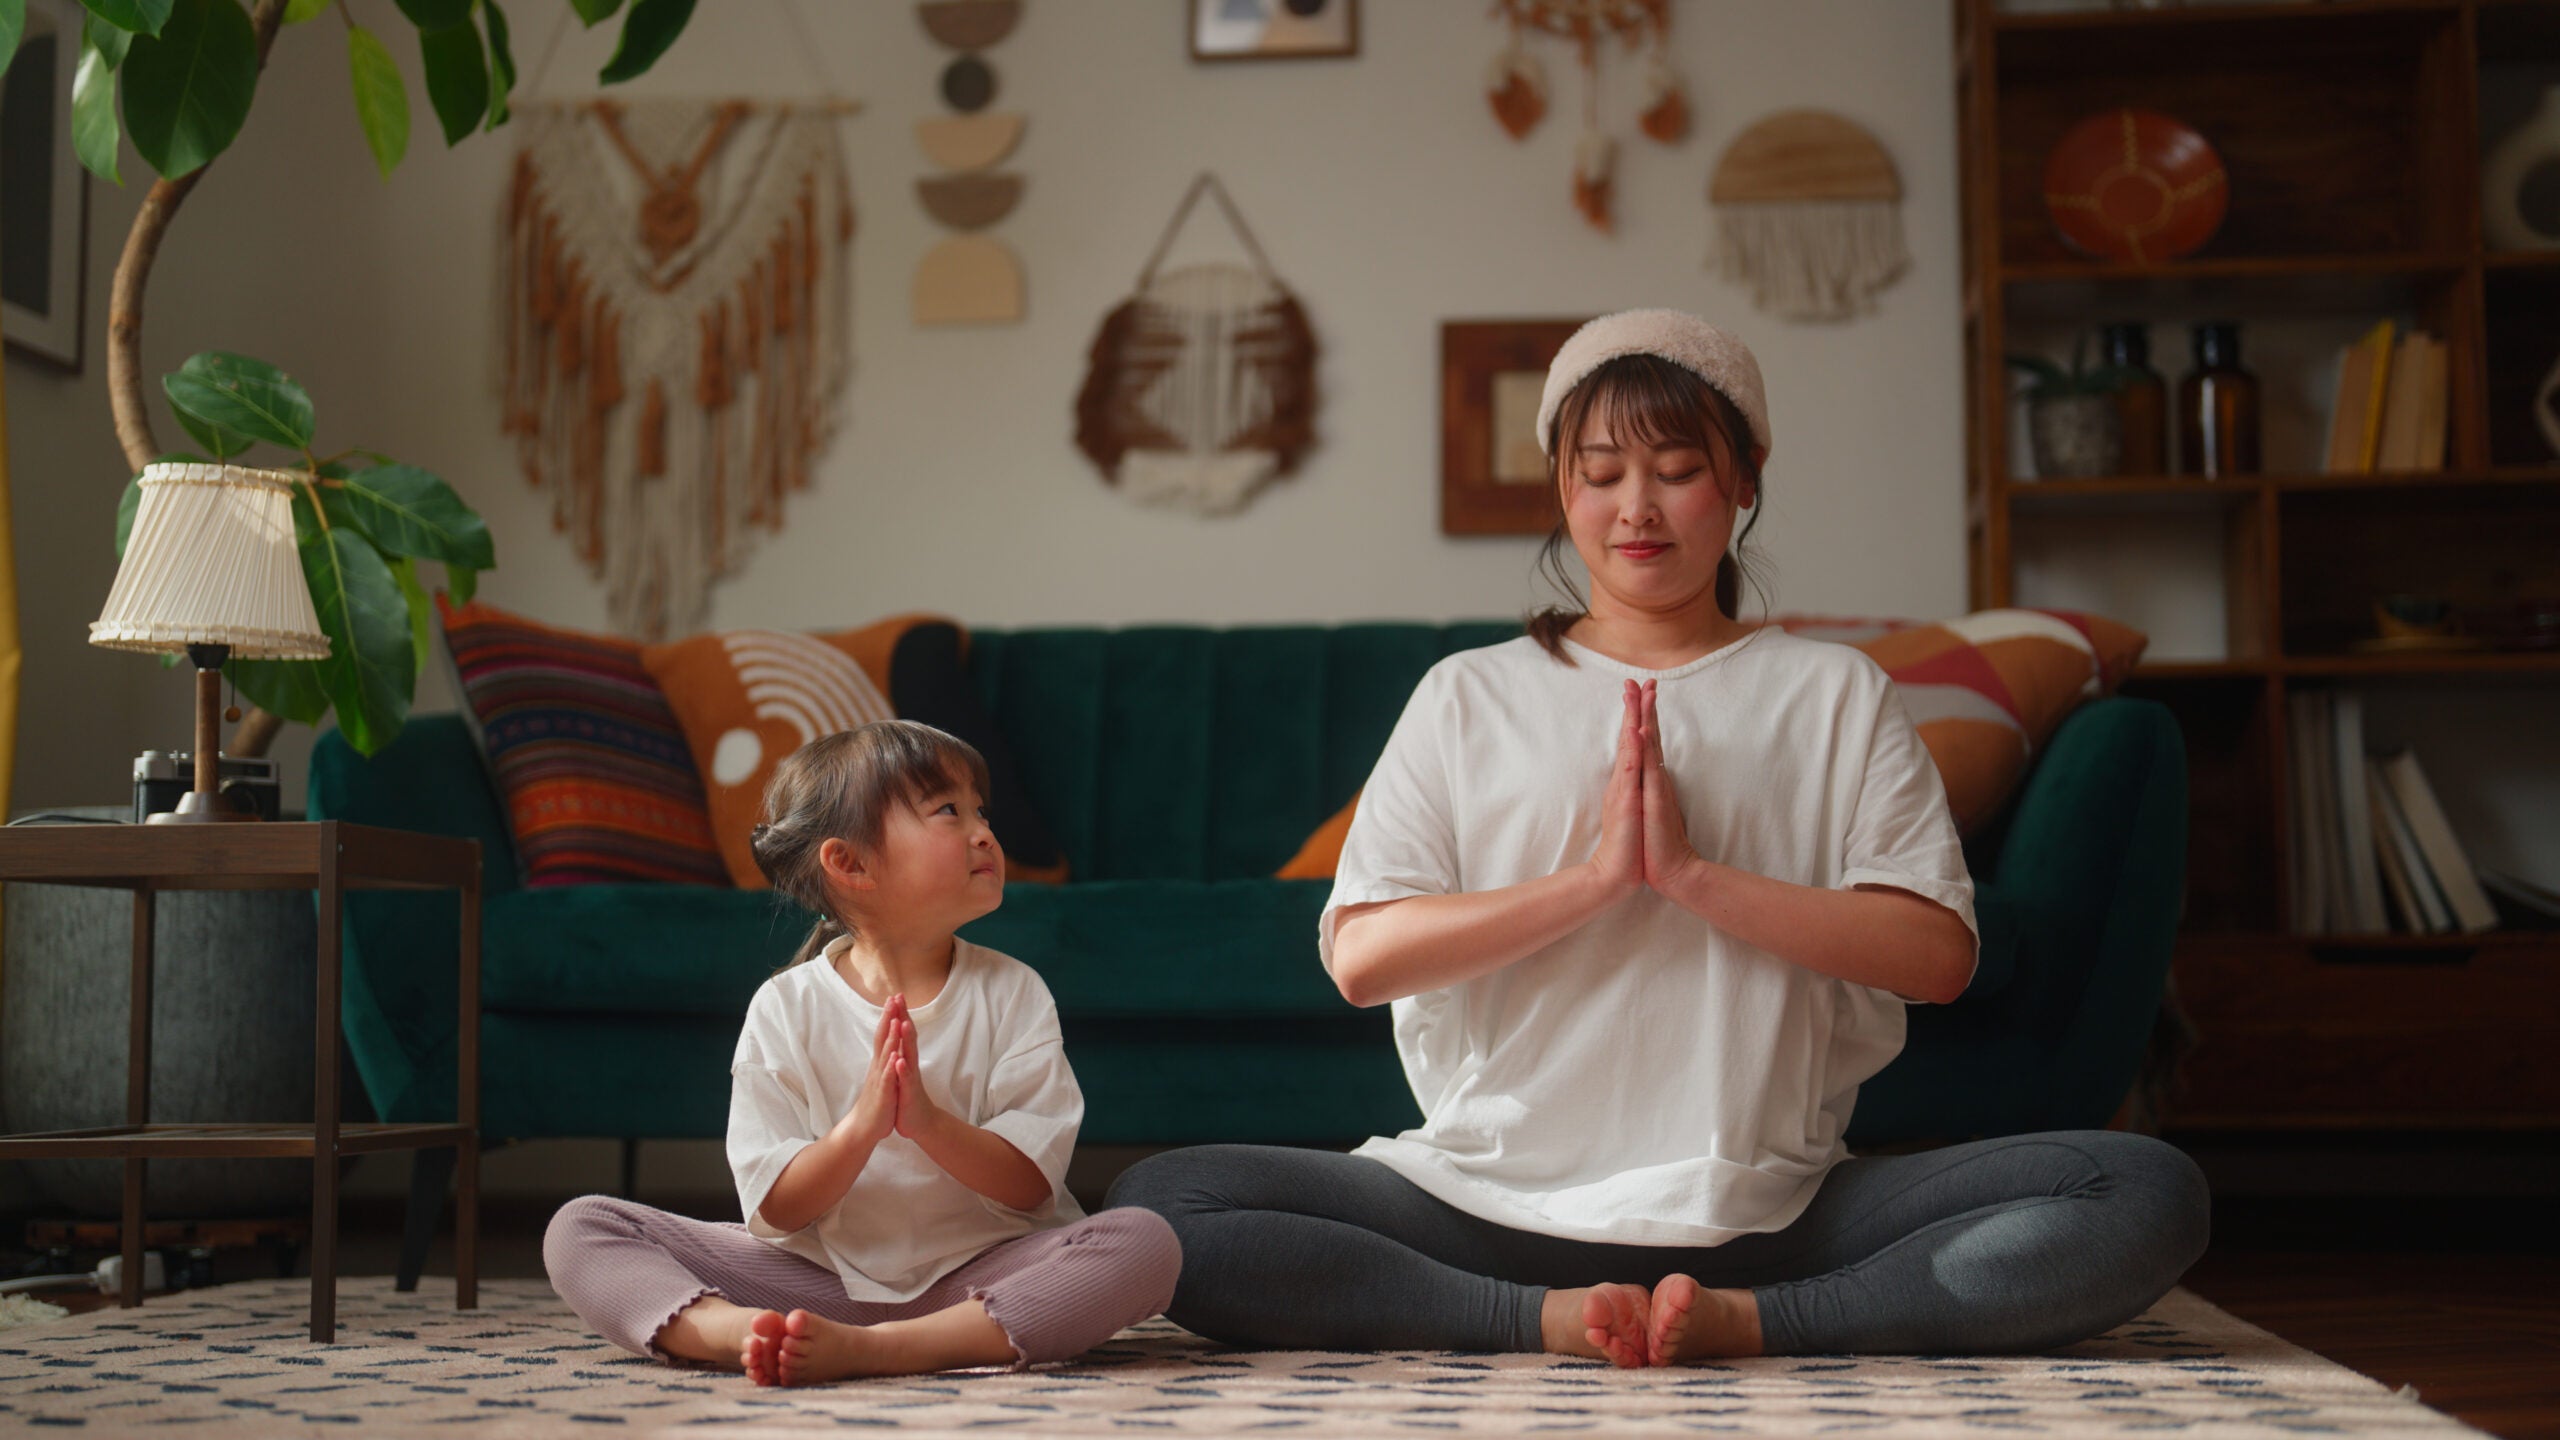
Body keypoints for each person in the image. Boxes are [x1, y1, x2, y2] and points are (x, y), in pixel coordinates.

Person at [1109, 309, 2208, 1367]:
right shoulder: (1466, 696)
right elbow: (1360, 960)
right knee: (1164, 1204)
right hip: (1479, 1204)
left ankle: (1752, 1321)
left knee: (2145, 1194)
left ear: (1741, 481)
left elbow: (1937, 955)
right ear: (1562, 487)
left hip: (1770, 1213)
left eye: (1676, 470)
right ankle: (1528, 1317)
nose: (1636, 507)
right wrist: (1594, 883)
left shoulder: (1832, 694)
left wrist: (1691, 878)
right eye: (1600, 473)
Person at [547, 721, 1180, 1383]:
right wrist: (860, 1130)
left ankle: (894, 1350)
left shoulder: (1014, 992)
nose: (983, 831)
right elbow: (776, 1209)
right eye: (947, 811)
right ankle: (734, 1333)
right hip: (816, 1283)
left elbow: (1030, 1187)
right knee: (582, 1225)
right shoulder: (785, 1007)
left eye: (980, 810)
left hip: (982, 1279)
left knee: (1145, 1241)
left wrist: (928, 1126)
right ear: (849, 865)